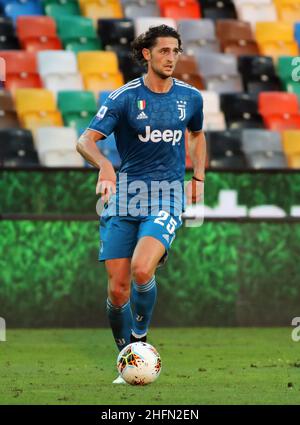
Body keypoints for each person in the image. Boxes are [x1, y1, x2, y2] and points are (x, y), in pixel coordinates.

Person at [76, 25, 206, 383]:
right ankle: (127, 358)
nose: (171, 58)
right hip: (125, 198)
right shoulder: (124, 98)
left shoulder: (191, 98)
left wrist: (198, 179)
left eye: (176, 51)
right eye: (164, 51)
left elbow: (196, 135)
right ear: (146, 54)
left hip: (167, 195)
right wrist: (104, 164)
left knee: (142, 270)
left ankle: (139, 342)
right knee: (117, 290)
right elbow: (85, 140)